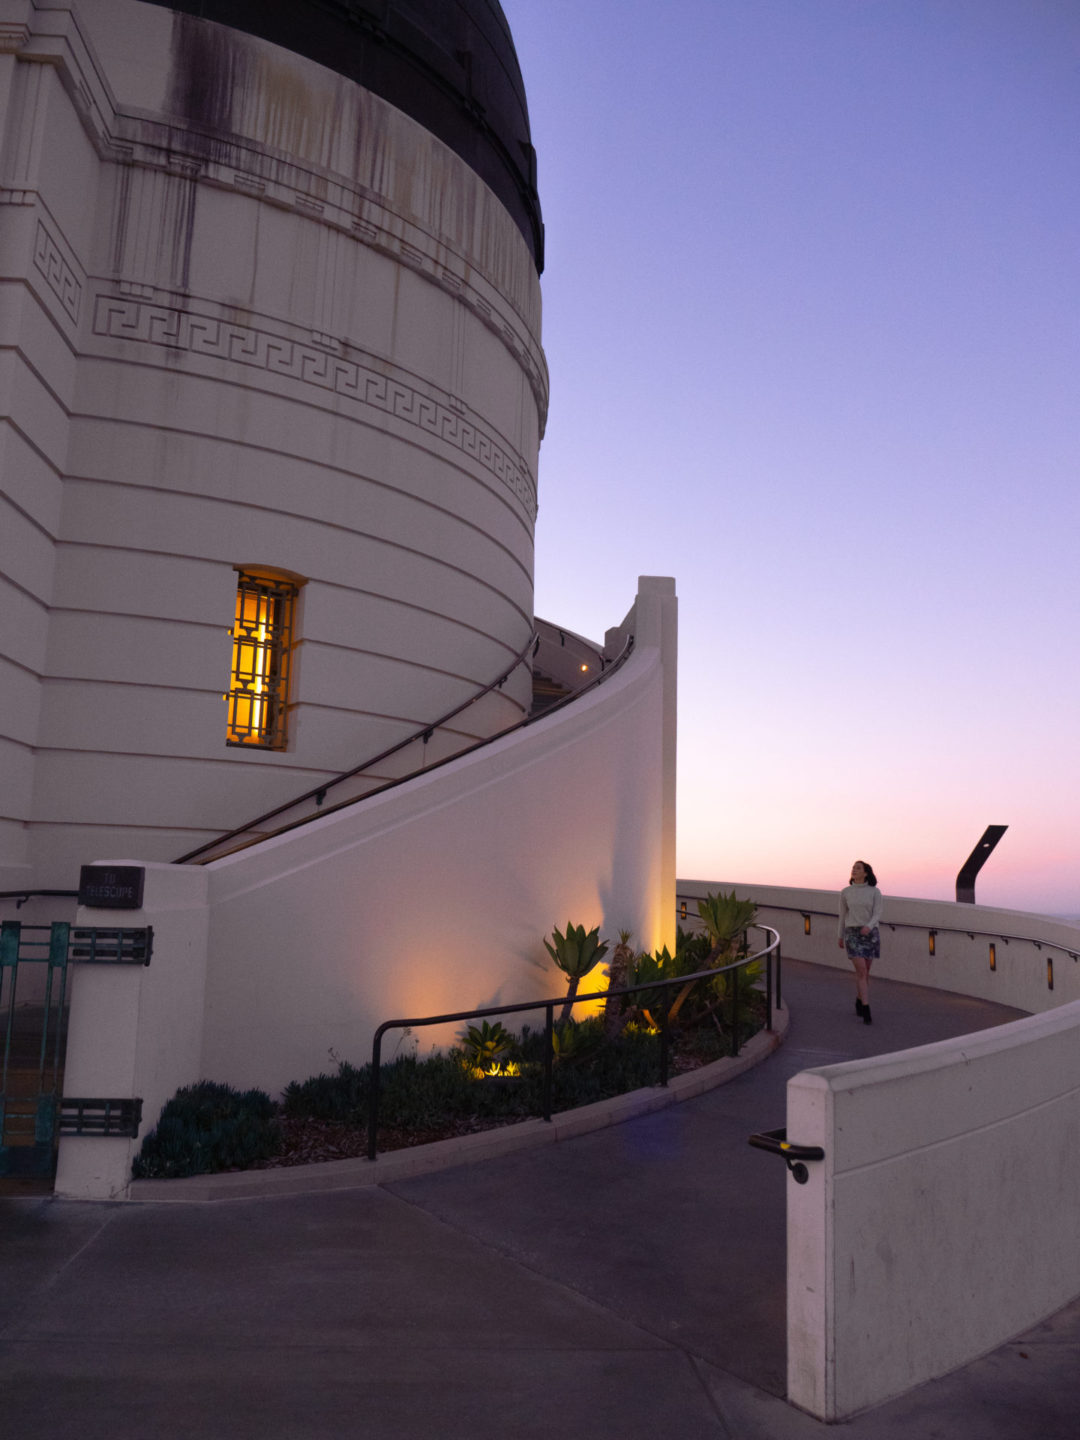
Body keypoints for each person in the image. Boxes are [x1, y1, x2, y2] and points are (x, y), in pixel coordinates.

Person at [838, 859, 882, 1024]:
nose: (854, 870)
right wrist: (840, 936)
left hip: (870, 934)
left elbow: (877, 913)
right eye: (853, 868)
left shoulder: (874, 892)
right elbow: (842, 915)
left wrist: (869, 927)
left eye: (858, 868)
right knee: (862, 971)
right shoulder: (846, 892)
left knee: (865, 972)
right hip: (852, 934)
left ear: (866, 873)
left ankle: (859, 999)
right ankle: (866, 1008)